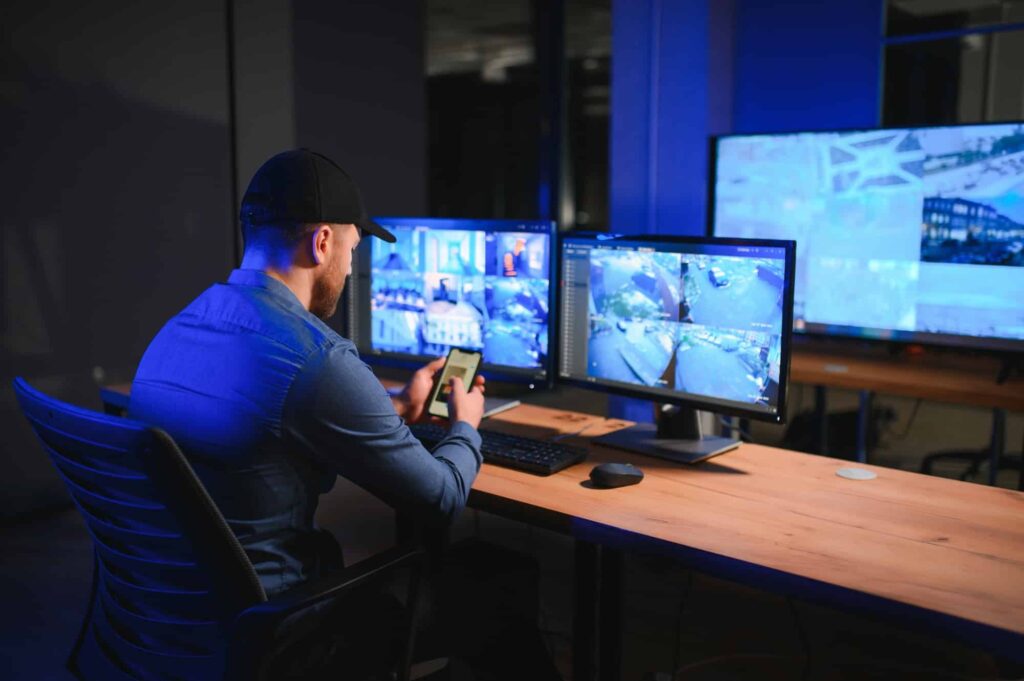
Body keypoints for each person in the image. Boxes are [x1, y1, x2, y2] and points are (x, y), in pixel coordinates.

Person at [129, 149, 560, 680]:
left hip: (170, 621)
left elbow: (270, 424)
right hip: (281, 636)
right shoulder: (318, 358)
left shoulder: (177, 330)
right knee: (494, 586)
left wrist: (398, 406)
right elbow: (442, 499)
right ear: (323, 242)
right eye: (354, 248)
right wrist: (466, 421)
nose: (353, 267)